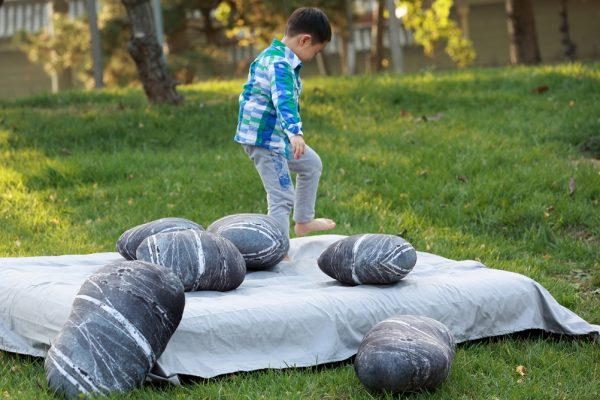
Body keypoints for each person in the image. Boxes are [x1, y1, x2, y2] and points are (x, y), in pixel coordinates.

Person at [235, 7, 336, 238]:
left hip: (276, 135)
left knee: (311, 164)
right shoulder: (279, 64)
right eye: (316, 52)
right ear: (304, 40)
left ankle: (303, 221)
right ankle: (278, 249)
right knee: (281, 196)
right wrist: (295, 133)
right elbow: (284, 100)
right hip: (266, 140)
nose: (313, 57)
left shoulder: (277, 58)